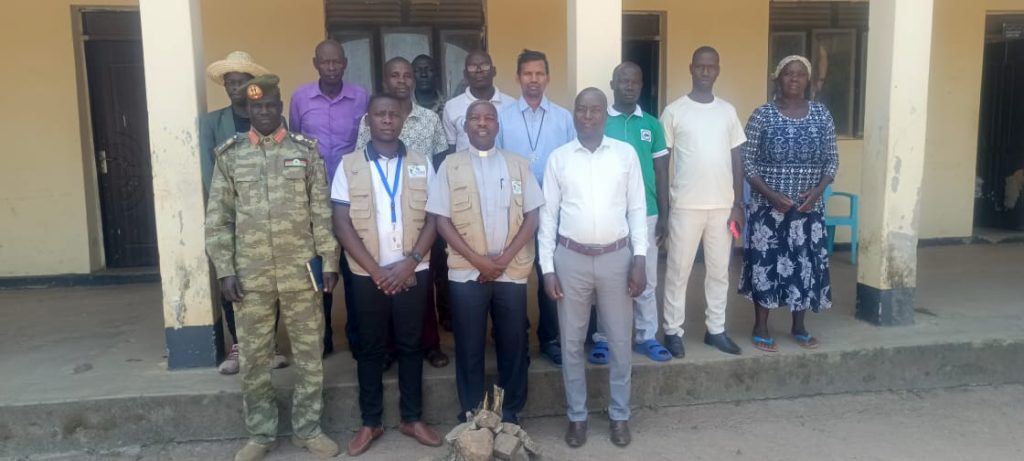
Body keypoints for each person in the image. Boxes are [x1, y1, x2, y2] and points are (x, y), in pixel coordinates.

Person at [205, 74, 341, 461]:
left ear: (281, 107)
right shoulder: (230, 155)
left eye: (270, 105)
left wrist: (329, 260)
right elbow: (218, 220)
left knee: (310, 354)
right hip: (251, 274)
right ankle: (260, 433)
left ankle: (308, 429)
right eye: (256, 106)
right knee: (254, 357)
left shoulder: (306, 151)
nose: (264, 112)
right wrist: (224, 269)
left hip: (302, 270)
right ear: (247, 109)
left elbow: (321, 212)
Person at [332, 94, 443, 456]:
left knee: (411, 345)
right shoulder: (349, 166)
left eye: (393, 114)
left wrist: (411, 262)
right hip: (368, 274)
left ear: (401, 120)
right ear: (368, 120)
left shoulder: (421, 163)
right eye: (379, 114)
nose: (387, 120)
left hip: (413, 269)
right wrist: (376, 270)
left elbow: (433, 218)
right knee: (370, 348)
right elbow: (341, 222)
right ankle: (371, 421)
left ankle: (412, 418)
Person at [539, 88, 648, 448]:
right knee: (571, 343)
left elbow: (637, 209)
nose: (588, 116)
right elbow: (548, 217)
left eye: (595, 109)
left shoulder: (625, 155)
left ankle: (619, 415)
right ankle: (577, 417)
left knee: (619, 341)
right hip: (570, 258)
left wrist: (639, 258)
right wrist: (547, 268)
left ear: (605, 114)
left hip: (617, 257)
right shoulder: (559, 158)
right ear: (574, 114)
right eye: (581, 109)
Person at [428, 100, 542, 424]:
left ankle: (510, 411)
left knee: (513, 343)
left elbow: (532, 217)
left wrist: (502, 260)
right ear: (465, 127)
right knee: (469, 345)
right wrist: (480, 261)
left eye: (489, 117)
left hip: (511, 270)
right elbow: (441, 221)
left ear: (497, 125)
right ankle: (473, 412)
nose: (482, 123)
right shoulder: (450, 166)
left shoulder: (518, 165)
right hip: (467, 272)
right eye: (475, 118)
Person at [355, 57, 450, 369]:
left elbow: (440, 161)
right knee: (385, 283)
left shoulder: (430, 119)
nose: (402, 81)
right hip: (382, 214)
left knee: (424, 280)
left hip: (422, 214)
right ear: (385, 80)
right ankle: (389, 348)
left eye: (407, 75)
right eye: (395, 75)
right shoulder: (369, 120)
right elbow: (360, 162)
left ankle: (429, 344)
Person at [199, 51, 289, 374]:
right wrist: (230, 209)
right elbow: (209, 171)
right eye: (230, 82)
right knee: (231, 280)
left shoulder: (272, 118)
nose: (235, 87)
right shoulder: (211, 123)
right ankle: (239, 344)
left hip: (270, 216)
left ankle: (269, 344)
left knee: (270, 280)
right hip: (232, 215)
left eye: (241, 81)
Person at [740, 55, 838, 352]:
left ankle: (799, 326)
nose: (794, 78)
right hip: (767, 209)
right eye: (787, 73)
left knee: (804, 265)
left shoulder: (821, 114)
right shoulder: (762, 115)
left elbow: (832, 160)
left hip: (808, 210)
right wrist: (771, 195)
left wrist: (817, 192)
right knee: (765, 265)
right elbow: (747, 162)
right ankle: (760, 326)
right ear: (777, 79)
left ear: (808, 80)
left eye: (800, 74)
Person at [659, 46, 747, 358]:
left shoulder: (727, 111)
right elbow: (662, 163)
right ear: (691, 68)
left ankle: (716, 330)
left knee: (720, 271)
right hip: (685, 206)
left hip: (722, 207)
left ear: (718, 70)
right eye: (700, 66)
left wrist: (738, 204)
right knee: (678, 271)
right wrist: (664, 211)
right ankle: (672, 331)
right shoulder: (674, 111)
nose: (705, 71)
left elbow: (737, 159)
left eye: (711, 66)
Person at [289, 39, 370, 357]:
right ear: (316, 64)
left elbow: (366, 142)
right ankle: (321, 338)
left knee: (354, 268)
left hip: (352, 196)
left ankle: (357, 337)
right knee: (319, 268)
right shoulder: (300, 98)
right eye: (326, 62)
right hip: (314, 197)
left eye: (337, 61)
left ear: (345, 63)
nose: (332, 67)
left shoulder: (361, 97)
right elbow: (295, 144)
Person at [496, 49, 575, 366]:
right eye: (527, 73)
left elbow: (571, 163)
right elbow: (496, 163)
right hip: (514, 212)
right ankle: (517, 340)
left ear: (548, 78)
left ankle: (550, 339)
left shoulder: (563, 118)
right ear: (518, 78)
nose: (533, 79)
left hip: (555, 211)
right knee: (515, 279)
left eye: (539, 73)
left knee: (551, 276)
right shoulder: (502, 117)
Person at [589, 61, 671, 364]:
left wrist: (665, 215)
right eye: (623, 81)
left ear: (642, 86)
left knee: (646, 277)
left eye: (635, 81)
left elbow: (661, 171)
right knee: (607, 279)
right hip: (608, 213)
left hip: (646, 212)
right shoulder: (599, 121)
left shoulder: (652, 125)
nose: (629, 86)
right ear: (613, 84)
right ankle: (604, 338)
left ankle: (646, 336)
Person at [442, 51, 513, 153]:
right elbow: (451, 148)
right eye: (472, 67)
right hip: (465, 163)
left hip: (505, 162)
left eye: (484, 66)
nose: (479, 71)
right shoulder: (451, 107)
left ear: (494, 71)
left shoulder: (511, 105)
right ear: (465, 74)